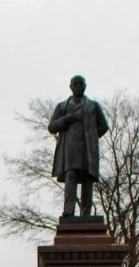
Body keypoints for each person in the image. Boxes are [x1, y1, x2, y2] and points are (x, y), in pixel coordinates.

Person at [48, 74, 109, 217]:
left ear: (85, 86)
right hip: (69, 148)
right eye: (75, 84)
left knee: (88, 178)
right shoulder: (62, 106)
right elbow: (52, 127)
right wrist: (67, 119)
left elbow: (103, 126)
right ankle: (69, 210)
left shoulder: (93, 106)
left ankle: (85, 212)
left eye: (81, 84)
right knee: (71, 175)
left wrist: (92, 136)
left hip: (88, 148)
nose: (78, 86)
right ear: (70, 87)